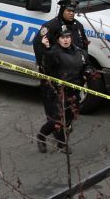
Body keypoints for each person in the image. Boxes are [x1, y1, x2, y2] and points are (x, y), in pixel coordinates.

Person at [36, 26, 92, 154]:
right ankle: (42, 136)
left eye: (68, 37)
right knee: (57, 119)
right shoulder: (53, 52)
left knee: (69, 119)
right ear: (58, 39)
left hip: (75, 92)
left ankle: (61, 141)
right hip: (58, 91)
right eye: (62, 37)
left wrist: (88, 71)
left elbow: (87, 66)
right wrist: (46, 47)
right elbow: (47, 64)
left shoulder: (80, 52)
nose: (65, 40)